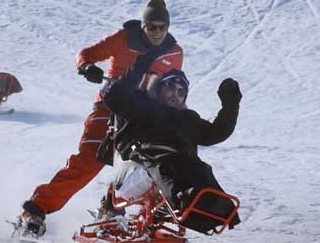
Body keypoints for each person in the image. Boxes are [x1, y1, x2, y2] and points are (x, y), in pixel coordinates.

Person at [19, 0, 184, 237]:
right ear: (143, 25)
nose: (157, 32)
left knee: (151, 161)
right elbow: (86, 54)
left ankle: (115, 209)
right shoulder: (125, 38)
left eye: (162, 27)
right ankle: (36, 208)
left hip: (142, 114)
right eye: (152, 27)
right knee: (90, 160)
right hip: (110, 108)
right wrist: (86, 67)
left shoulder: (173, 51)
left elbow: (171, 85)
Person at [98, 52, 242, 233]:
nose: (176, 93)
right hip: (143, 160)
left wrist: (231, 104)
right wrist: (138, 70)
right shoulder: (142, 106)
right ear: (158, 88)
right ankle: (184, 199)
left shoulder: (189, 118)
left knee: (201, 169)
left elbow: (216, 133)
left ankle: (216, 207)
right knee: (171, 165)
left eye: (182, 92)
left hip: (181, 163)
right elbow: (114, 97)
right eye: (170, 87)